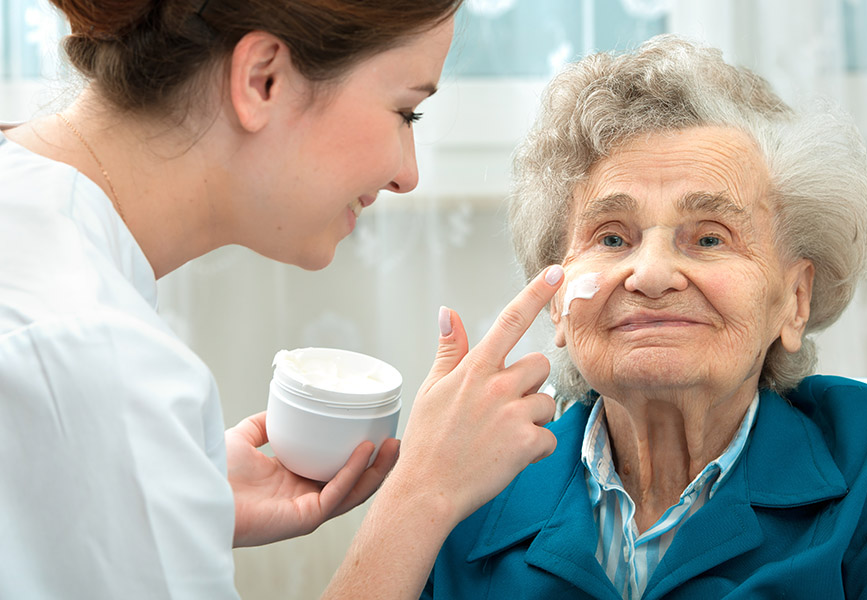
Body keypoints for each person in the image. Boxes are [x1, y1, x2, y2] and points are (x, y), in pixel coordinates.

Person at [0, 1, 563, 598]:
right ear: (262, 79)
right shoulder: (96, 358)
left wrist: (170, 497)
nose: (408, 175)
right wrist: (423, 494)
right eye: (406, 112)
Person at [422, 34, 867, 599]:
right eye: (613, 236)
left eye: (710, 238)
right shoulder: (474, 482)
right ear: (557, 304)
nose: (650, 273)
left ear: (794, 299)